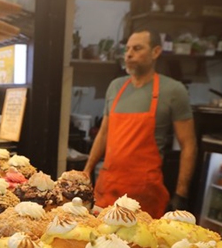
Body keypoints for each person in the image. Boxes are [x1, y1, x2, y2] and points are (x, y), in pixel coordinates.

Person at [83, 29, 197, 218]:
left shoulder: (173, 90)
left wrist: (181, 193)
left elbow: (189, 145)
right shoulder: (116, 87)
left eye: (137, 48)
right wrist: (87, 170)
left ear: (156, 52)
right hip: (108, 188)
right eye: (127, 49)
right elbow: (103, 134)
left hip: (144, 195)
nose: (129, 54)